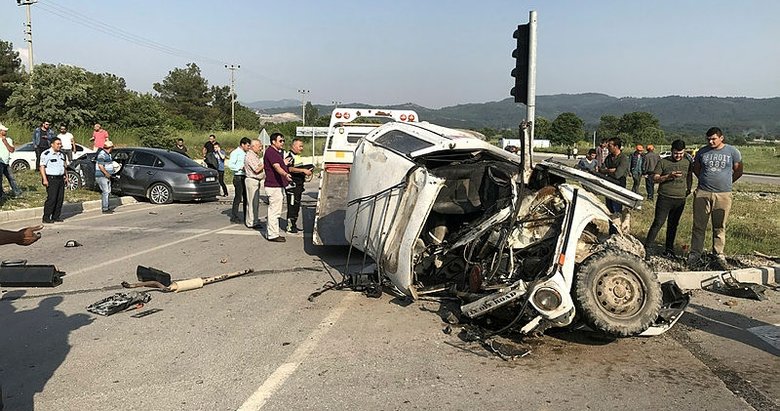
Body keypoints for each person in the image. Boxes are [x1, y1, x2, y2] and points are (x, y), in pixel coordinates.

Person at [688, 127, 743, 267]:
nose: (711, 141)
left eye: (714, 139)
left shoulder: (732, 152)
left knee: (719, 225)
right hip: (703, 192)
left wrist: (727, 182)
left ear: (721, 138)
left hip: (723, 194)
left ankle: (718, 253)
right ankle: (695, 253)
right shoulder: (702, 151)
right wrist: (704, 180)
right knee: (699, 225)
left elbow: (738, 170)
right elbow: (696, 168)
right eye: (708, 139)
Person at [644, 140, 693, 257]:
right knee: (658, 222)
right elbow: (655, 178)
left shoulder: (687, 162)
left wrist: (689, 188)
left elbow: (690, 175)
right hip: (665, 198)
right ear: (672, 151)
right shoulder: (663, 162)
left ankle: (669, 249)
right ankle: (647, 248)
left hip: (680, 199)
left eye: (681, 153)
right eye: (676, 153)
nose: (678, 156)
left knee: (673, 224)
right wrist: (668, 176)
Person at [263, 132, 292, 242]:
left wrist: (284, 162)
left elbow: (279, 164)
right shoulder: (271, 152)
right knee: (274, 212)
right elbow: (276, 167)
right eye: (280, 141)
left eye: (283, 140)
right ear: (273, 141)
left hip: (277, 185)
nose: (282, 143)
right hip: (273, 186)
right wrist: (285, 174)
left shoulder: (276, 153)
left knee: (275, 211)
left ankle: (272, 233)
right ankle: (272, 234)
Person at [285, 138, 313, 233]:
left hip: (299, 185)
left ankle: (294, 225)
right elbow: (290, 169)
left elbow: (298, 167)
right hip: (292, 186)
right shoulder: (290, 156)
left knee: (296, 206)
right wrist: (303, 171)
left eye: (302, 146)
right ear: (294, 146)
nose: (302, 148)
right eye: (300, 146)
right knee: (292, 206)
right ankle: (290, 226)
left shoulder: (297, 156)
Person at [39, 137, 68, 223]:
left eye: (60, 144)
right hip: (51, 179)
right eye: (57, 144)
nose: (60, 145)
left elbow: (64, 166)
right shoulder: (46, 154)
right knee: (52, 198)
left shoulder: (62, 154)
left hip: (60, 178)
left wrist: (66, 176)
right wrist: (44, 179)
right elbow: (42, 167)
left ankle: (56, 216)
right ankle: (46, 217)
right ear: (52, 144)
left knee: (60, 198)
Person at [597, 137, 629, 213]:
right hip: (608, 185)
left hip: (618, 187)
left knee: (616, 209)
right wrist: (609, 170)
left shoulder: (623, 158)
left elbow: (618, 174)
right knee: (609, 210)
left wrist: (607, 171)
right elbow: (601, 170)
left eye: (610, 146)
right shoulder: (609, 157)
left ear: (616, 147)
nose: (608, 148)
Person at [227, 137, 251, 224]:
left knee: (246, 197)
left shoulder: (246, 153)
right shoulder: (235, 153)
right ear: (242, 145)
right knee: (238, 197)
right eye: (248, 146)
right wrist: (240, 168)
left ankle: (246, 216)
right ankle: (234, 216)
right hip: (238, 177)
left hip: (245, 176)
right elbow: (231, 165)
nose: (249, 147)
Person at [243, 139, 265, 228]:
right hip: (252, 180)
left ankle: (254, 220)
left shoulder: (254, 156)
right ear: (253, 146)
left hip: (256, 181)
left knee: (255, 203)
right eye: (259, 146)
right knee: (252, 202)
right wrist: (265, 162)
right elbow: (256, 169)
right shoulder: (250, 156)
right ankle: (251, 222)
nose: (260, 148)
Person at [0, 123, 23, 198]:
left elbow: (12, 150)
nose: (6, 132)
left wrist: (5, 142)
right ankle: (1, 194)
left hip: (6, 163)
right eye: (4, 131)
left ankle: (17, 192)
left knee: (11, 178)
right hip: (0, 162)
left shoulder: (9, 140)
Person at [95, 141, 116, 214]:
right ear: (110, 147)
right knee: (105, 191)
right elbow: (100, 166)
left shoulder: (108, 154)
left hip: (106, 176)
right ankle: (105, 208)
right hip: (102, 176)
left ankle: (106, 206)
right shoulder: (102, 154)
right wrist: (106, 173)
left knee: (108, 191)